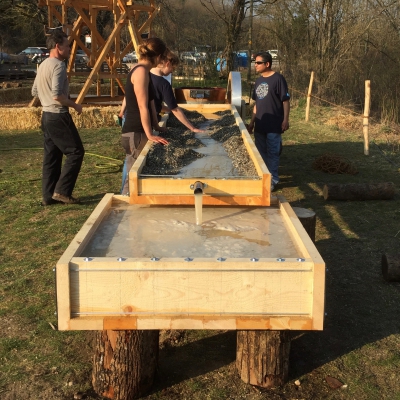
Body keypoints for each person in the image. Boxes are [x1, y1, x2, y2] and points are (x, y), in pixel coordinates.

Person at [32, 30, 85, 205]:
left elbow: (34, 92)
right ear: (58, 46)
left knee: (52, 156)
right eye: (67, 45)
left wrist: (45, 97)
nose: (70, 48)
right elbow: (57, 95)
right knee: (76, 152)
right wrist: (75, 105)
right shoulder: (58, 66)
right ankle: (62, 191)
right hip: (58, 115)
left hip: (46, 116)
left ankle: (48, 196)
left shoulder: (43, 64)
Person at [120, 37, 169, 195]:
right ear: (158, 56)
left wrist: (156, 126)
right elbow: (142, 106)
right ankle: (125, 210)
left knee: (136, 175)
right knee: (133, 177)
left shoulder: (143, 70)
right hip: (135, 132)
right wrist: (149, 134)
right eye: (163, 57)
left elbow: (150, 103)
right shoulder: (140, 72)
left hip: (140, 131)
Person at [246, 51, 290, 191]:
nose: (255, 65)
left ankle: (273, 180)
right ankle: (263, 178)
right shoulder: (258, 81)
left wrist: (285, 119)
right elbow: (257, 105)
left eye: (258, 63)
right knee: (260, 153)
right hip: (260, 124)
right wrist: (252, 122)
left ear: (267, 64)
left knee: (273, 152)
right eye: (255, 63)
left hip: (273, 124)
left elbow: (285, 101)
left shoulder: (278, 79)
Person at [150, 50, 206, 132]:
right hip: (150, 123)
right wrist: (193, 128)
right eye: (173, 68)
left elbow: (155, 104)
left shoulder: (145, 75)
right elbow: (175, 110)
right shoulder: (163, 84)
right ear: (167, 64)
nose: (172, 71)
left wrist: (168, 110)